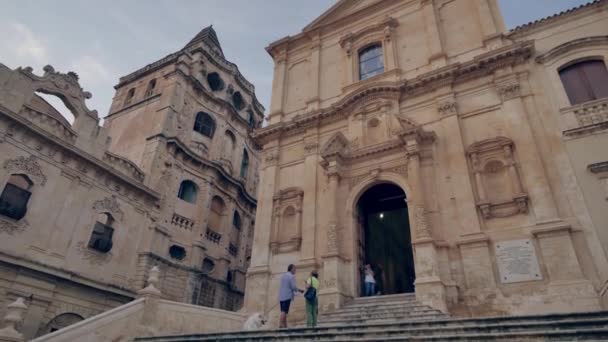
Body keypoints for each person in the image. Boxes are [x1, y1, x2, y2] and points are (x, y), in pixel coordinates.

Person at [278, 264, 303, 328]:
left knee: (284, 311)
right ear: (291, 269)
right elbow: (293, 287)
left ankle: (285, 325)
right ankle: (281, 324)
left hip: (281, 295)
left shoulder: (283, 275)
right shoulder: (291, 276)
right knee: (284, 311)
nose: (295, 270)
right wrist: (299, 290)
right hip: (287, 295)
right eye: (294, 269)